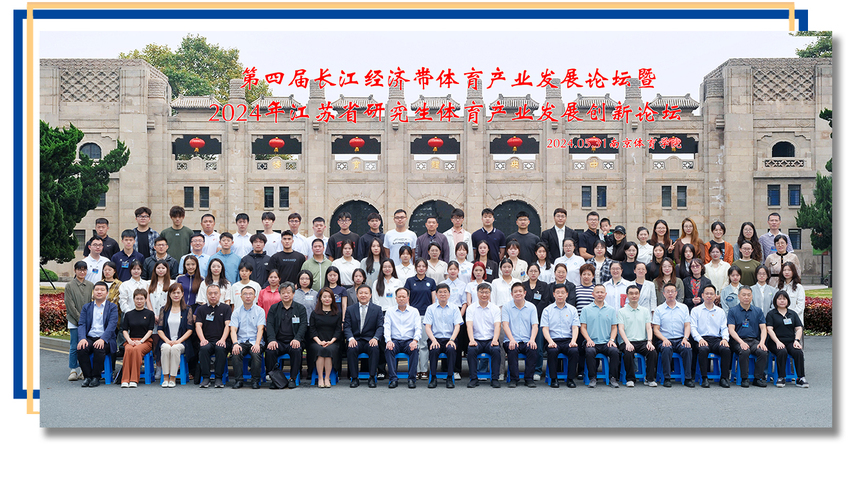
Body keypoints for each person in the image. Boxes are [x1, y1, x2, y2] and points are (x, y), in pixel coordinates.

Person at [76, 281, 120, 387]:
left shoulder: (112, 307)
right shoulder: (87, 307)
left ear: (107, 293)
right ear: (93, 292)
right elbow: (81, 324)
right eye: (97, 290)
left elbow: (112, 325)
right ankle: (87, 377)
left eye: (102, 290)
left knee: (99, 348)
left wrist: (103, 339)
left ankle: (96, 377)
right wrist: (82, 338)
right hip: (90, 337)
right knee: (81, 348)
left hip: (106, 339)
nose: (99, 292)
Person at [264, 282, 307, 389]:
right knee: (270, 351)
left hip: (293, 341)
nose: (286, 295)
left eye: (288, 292)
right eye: (283, 293)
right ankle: (275, 379)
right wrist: (272, 340)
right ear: (280, 294)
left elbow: (303, 325)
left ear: (293, 294)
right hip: (278, 341)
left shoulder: (300, 308)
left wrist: (297, 339)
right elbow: (269, 324)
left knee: (297, 350)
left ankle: (292, 378)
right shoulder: (274, 308)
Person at [652, 282, 695, 388]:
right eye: (668, 292)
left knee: (687, 348)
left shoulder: (683, 308)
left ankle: (688, 378)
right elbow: (656, 329)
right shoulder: (659, 309)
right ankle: (667, 378)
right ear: (664, 294)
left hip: (681, 339)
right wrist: (664, 339)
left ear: (676, 293)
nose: (670, 293)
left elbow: (687, 325)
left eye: (672, 291)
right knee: (666, 349)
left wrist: (685, 338)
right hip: (664, 339)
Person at [540, 283, 581, 388]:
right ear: (554, 294)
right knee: (552, 351)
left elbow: (575, 327)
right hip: (553, 340)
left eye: (563, 292)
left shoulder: (572, 309)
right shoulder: (547, 310)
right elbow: (545, 328)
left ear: (567, 294)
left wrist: (573, 341)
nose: (560, 295)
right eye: (557, 292)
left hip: (568, 340)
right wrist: (550, 342)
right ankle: (554, 379)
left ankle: (570, 379)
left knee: (574, 350)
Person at [689, 285, 731, 388]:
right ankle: (704, 378)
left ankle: (724, 378)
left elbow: (724, 328)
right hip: (701, 339)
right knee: (703, 349)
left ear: (715, 296)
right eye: (706, 294)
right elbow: (693, 328)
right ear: (702, 295)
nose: (709, 296)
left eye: (711, 294)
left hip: (716, 339)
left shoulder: (720, 311)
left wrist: (725, 339)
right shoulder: (695, 310)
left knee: (726, 349)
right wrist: (699, 339)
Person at [726, 285, 768, 387]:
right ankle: (744, 378)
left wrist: (762, 342)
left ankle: (757, 378)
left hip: (753, 340)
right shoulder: (733, 311)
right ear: (739, 296)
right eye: (743, 295)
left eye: (749, 295)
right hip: (738, 340)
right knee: (745, 351)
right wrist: (741, 342)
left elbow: (763, 328)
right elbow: (731, 330)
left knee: (763, 351)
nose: (746, 297)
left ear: (752, 296)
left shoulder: (758, 311)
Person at [423, 283, 463, 388]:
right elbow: (427, 327)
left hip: (450, 338)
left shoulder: (454, 308)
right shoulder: (430, 308)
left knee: (451, 349)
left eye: (445, 292)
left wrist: (452, 340)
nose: (443, 294)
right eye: (440, 292)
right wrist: (433, 340)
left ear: (449, 294)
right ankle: (433, 377)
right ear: (436, 294)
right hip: (435, 338)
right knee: (434, 349)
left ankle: (450, 377)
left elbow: (457, 326)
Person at [765, 290, 809, 387]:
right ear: (775, 301)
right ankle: (781, 377)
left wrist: (797, 340)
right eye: (779, 299)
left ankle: (800, 378)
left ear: (788, 301)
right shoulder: (771, 314)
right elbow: (769, 329)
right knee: (782, 351)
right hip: (774, 342)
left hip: (790, 341)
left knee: (798, 352)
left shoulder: (792, 314)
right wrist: (777, 342)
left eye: (784, 299)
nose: (782, 301)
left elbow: (799, 328)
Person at [617, 285, 658, 387]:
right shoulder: (621, 311)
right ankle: (630, 379)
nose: (634, 296)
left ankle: (650, 379)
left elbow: (649, 328)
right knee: (628, 352)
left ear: (639, 295)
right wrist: (627, 343)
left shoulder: (645, 311)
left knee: (652, 352)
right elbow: (621, 329)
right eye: (631, 294)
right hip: (627, 341)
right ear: (627, 295)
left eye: (636, 293)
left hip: (642, 341)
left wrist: (649, 341)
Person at [580, 284, 621, 388]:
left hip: (606, 342)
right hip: (592, 342)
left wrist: (612, 340)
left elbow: (614, 327)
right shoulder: (586, 309)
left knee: (615, 351)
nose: (599, 294)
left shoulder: (611, 310)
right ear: (593, 294)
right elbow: (583, 327)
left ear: (605, 294)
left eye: (602, 292)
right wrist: (588, 339)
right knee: (589, 352)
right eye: (597, 292)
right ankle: (592, 378)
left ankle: (613, 378)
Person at [344, 285, 384, 388]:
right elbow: (347, 326)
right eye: (361, 293)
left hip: (370, 339)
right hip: (356, 339)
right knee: (351, 348)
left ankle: (372, 377)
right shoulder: (350, 309)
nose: (363, 295)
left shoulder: (377, 309)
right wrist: (351, 338)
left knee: (374, 348)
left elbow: (380, 326)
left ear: (370, 295)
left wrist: (375, 338)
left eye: (366, 293)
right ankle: (354, 378)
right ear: (357, 295)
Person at [500, 282, 539, 387]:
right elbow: (505, 325)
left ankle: (529, 378)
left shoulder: (531, 307)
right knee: (512, 349)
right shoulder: (506, 307)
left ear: (524, 293)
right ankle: (514, 379)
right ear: (511, 294)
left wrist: (532, 339)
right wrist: (512, 340)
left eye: (520, 291)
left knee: (532, 349)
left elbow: (535, 325)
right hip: (511, 340)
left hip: (527, 340)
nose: (518, 293)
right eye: (515, 291)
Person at [194, 284, 232, 388]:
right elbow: (198, 325)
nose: (213, 296)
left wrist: (223, 339)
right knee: (204, 348)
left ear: (220, 295)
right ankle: (206, 378)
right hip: (207, 340)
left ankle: (218, 378)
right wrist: (202, 339)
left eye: (215, 293)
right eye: (210, 293)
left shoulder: (226, 308)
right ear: (206, 295)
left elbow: (228, 325)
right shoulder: (201, 309)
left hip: (222, 339)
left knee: (220, 348)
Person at [405, 258, 437, 380]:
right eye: (419, 266)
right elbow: (407, 299)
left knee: (423, 344)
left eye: (423, 266)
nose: (421, 268)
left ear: (426, 268)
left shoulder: (431, 282)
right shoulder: (409, 281)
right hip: (413, 315)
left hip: (426, 315)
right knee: (414, 343)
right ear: (415, 267)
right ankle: (415, 370)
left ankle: (423, 370)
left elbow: (433, 300)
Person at [465, 283, 502, 388]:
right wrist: (471, 340)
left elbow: (497, 325)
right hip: (476, 339)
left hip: (490, 339)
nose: (484, 295)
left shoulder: (495, 308)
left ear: (490, 294)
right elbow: (469, 325)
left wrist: (495, 339)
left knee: (496, 350)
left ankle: (495, 379)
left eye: (487, 292)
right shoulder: (471, 308)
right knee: (471, 350)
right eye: (481, 292)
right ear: (477, 293)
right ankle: (473, 378)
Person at [228, 286, 266, 389]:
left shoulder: (260, 311)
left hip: (256, 341)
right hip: (241, 341)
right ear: (241, 297)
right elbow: (233, 330)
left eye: (250, 294)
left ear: (254, 297)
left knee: (256, 353)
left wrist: (257, 344)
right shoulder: (236, 312)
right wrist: (235, 344)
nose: (248, 296)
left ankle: (255, 380)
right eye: (245, 294)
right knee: (236, 353)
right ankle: (239, 380)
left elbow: (260, 329)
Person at [158, 283, 194, 387]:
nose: (176, 295)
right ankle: (165, 377)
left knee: (175, 348)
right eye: (173, 293)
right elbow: (160, 330)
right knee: (165, 348)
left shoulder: (187, 309)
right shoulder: (164, 310)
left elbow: (190, 330)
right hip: (167, 341)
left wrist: (178, 341)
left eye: (178, 292)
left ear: (182, 294)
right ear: (169, 294)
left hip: (182, 342)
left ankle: (172, 378)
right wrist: (167, 341)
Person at [384, 287, 422, 388]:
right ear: (395, 298)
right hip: (395, 341)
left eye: (404, 297)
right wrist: (388, 341)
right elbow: (387, 327)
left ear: (408, 298)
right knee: (388, 349)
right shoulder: (390, 311)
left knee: (414, 350)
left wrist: (415, 340)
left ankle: (412, 379)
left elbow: (418, 328)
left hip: (409, 341)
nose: (401, 299)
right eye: (399, 296)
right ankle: (393, 379)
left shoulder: (414, 311)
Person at [65, 261, 94, 381]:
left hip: (88, 321)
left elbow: (92, 303)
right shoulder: (69, 286)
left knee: (86, 345)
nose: (82, 272)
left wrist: (87, 320)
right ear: (75, 271)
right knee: (74, 345)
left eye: (84, 270)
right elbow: (70, 304)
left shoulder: (91, 285)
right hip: (74, 320)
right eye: (79, 270)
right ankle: (73, 370)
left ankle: (83, 369)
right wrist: (80, 319)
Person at [120, 288, 155, 388]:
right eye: (137, 299)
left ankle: (134, 379)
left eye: (141, 299)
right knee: (128, 349)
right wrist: (129, 341)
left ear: (145, 300)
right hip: (131, 340)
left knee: (136, 350)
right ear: (133, 299)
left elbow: (150, 330)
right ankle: (125, 379)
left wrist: (141, 341)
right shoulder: (128, 314)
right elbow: (124, 330)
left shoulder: (150, 314)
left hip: (145, 341)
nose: (139, 301)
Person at [309, 288, 344, 388]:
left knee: (329, 350)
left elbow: (338, 330)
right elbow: (312, 329)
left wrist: (331, 341)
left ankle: (327, 378)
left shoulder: (337, 313)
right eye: (324, 297)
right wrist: (319, 342)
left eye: (329, 297)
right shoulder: (314, 313)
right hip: (317, 341)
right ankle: (320, 378)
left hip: (333, 341)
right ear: (320, 298)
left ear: (333, 299)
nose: (327, 299)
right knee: (320, 350)